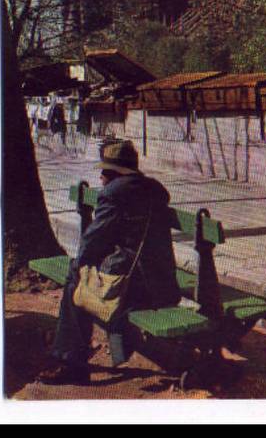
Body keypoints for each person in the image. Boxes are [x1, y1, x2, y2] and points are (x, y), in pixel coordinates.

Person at [37, 140, 181, 385]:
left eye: (106, 171)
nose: (101, 176)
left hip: (136, 288)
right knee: (79, 276)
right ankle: (75, 354)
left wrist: (82, 265)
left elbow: (92, 241)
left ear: (117, 173)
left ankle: (71, 362)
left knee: (76, 279)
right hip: (163, 283)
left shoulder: (115, 194)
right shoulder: (155, 188)